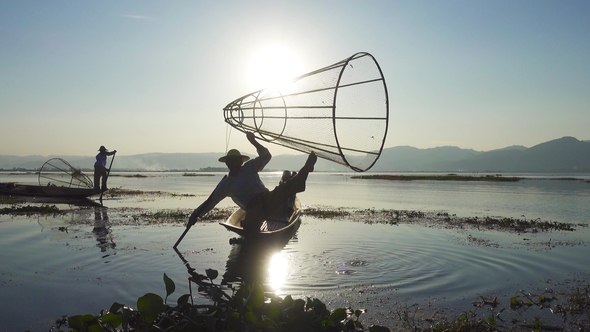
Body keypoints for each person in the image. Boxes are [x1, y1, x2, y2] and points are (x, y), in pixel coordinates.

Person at [188, 132, 317, 232]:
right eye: (231, 161)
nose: (234, 163)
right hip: (254, 210)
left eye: (236, 160)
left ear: (241, 161)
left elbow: (266, 156)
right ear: (227, 163)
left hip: (268, 199)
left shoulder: (249, 167)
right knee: (250, 227)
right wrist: (195, 215)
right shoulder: (225, 184)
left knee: (287, 187)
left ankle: (306, 169)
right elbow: (210, 202)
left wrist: (253, 141)